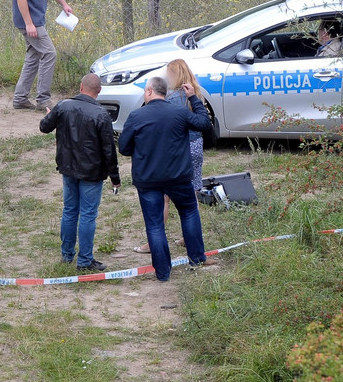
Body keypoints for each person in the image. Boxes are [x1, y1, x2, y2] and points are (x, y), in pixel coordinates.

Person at [118, 76, 219, 281]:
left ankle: (163, 272)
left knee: (154, 224)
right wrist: (193, 98)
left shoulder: (136, 116)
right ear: (164, 93)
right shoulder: (180, 112)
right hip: (178, 176)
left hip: (148, 179)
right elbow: (204, 123)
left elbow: (124, 148)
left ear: (149, 92)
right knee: (189, 213)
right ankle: (197, 258)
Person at [39, 73, 121, 272]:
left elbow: (44, 127)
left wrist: (51, 115)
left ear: (80, 86)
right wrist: (115, 178)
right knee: (87, 215)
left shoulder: (63, 106)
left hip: (68, 168)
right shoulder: (101, 115)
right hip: (91, 173)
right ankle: (84, 260)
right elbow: (109, 150)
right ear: (99, 91)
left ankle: (67, 254)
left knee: (69, 211)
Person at [135, 60, 206, 255]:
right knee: (192, 195)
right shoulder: (195, 92)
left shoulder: (172, 97)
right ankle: (189, 238)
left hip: (180, 148)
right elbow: (203, 119)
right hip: (196, 144)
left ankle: (153, 242)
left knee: (165, 198)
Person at [10, 0, 73, 111]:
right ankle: (43, 100)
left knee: (34, 55)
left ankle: (20, 98)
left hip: (37, 19)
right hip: (30, 21)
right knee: (49, 53)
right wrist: (29, 23)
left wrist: (63, 3)